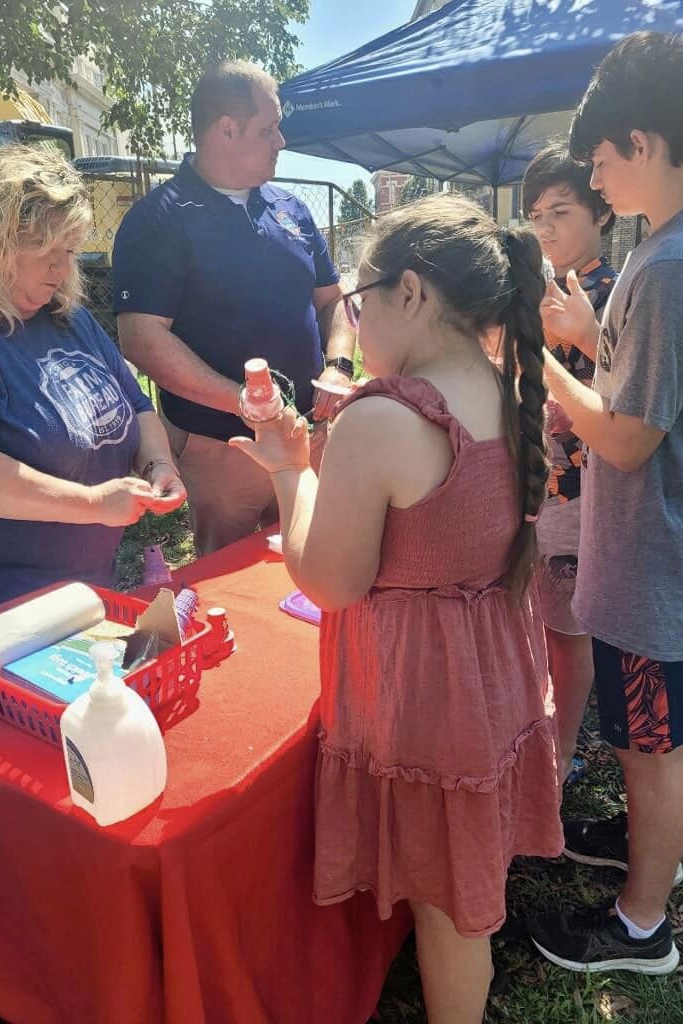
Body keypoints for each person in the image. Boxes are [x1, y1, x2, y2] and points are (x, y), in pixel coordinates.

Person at [229, 195, 564, 1024]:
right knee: (462, 887)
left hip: (423, 700)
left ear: (409, 292)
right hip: (490, 678)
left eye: (357, 300)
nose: (354, 322)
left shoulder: (383, 417)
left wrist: (289, 470)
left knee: (448, 912)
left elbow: (329, 582)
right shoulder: (506, 383)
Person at [529, 31, 683, 974]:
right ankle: (646, 845)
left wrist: (548, 370)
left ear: (642, 142)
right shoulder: (675, 247)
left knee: (653, 750)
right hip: (658, 549)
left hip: (656, 561)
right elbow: (658, 387)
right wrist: (592, 331)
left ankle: (642, 927)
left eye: (600, 160)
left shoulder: (679, 262)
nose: (596, 178)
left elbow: (632, 436)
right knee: (648, 743)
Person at [113, 60, 356, 555]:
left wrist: (340, 365)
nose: (281, 141)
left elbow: (333, 301)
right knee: (228, 581)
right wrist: (242, 401)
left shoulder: (291, 208)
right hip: (221, 448)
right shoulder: (158, 219)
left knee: (315, 562)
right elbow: (142, 337)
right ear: (226, 129)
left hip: (306, 434)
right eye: (268, 129)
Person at [0, 145, 186, 622]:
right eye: (45, 250)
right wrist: (94, 503)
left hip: (86, 593)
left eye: (70, 251)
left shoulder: (69, 318)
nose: (61, 269)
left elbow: (138, 407)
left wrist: (158, 465)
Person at [522, 144, 617, 784]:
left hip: (582, 493)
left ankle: (559, 757)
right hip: (541, 484)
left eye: (561, 211)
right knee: (543, 622)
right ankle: (547, 740)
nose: (546, 229)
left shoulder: (612, 294)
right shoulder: (544, 291)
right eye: (537, 215)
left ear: (602, 211)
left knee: (567, 632)